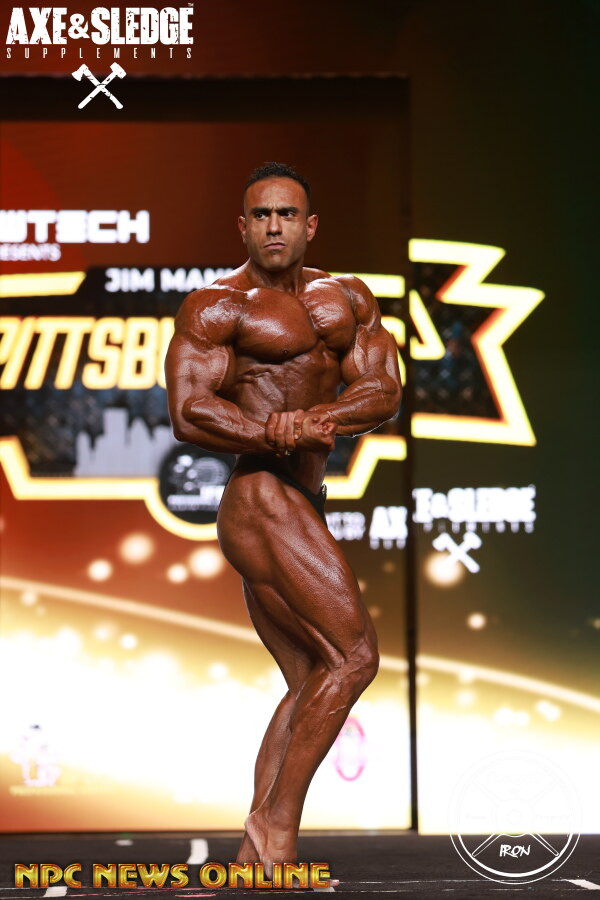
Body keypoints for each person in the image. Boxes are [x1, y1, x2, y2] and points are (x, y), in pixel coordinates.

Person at [165, 162, 402, 878]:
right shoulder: (217, 306)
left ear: (310, 226)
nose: (274, 226)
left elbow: (382, 389)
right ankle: (277, 827)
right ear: (242, 227)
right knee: (355, 657)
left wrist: (318, 419)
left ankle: (253, 851)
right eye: (261, 215)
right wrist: (272, 433)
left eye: (287, 214)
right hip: (260, 496)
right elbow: (190, 411)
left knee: (310, 677)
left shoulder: (349, 298)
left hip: (303, 498)